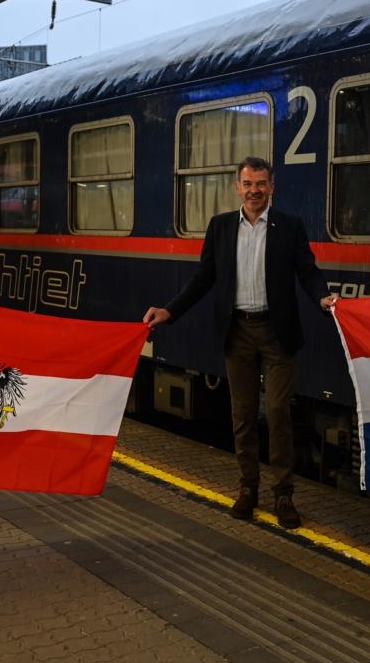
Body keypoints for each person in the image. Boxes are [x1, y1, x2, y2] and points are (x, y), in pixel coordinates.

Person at [143, 157, 337, 529]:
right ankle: (248, 488)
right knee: (243, 415)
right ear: (238, 187)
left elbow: (307, 271)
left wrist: (322, 297)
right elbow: (204, 278)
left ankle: (282, 494)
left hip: (276, 332)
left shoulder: (289, 227)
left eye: (261, 184)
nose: (254, 191)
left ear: (272, 187)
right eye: (248, 184)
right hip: (238, 331)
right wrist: (171, 311)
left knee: (278, 412)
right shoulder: (220, 228)